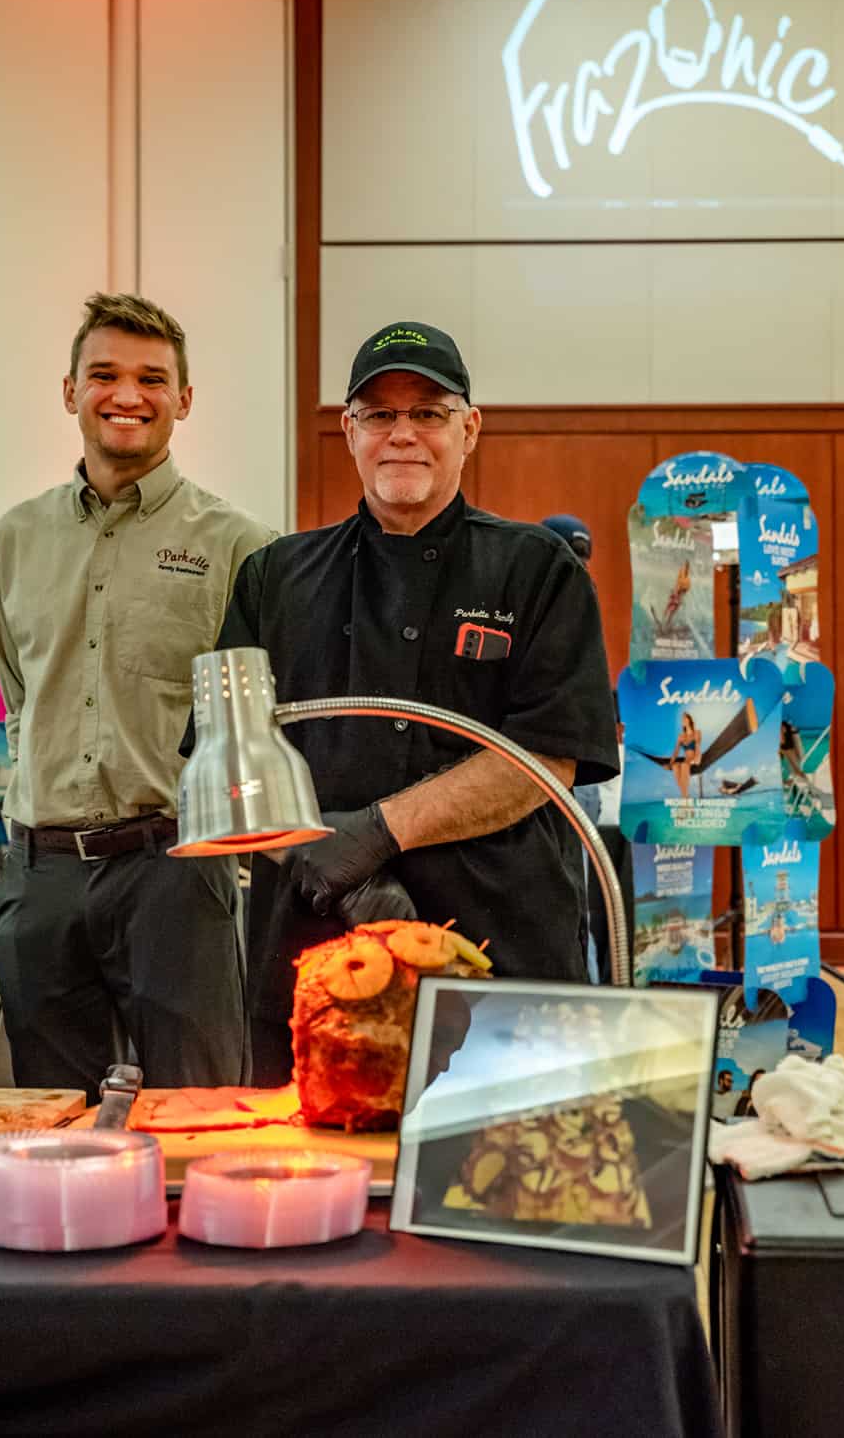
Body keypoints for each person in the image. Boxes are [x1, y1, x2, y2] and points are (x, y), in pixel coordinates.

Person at [213, 320, 619, 1082]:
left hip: (506, 961)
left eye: (427, 413)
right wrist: (329, 864)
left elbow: (547, 758)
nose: (403, 434)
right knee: (316, 1185)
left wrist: (374, 834)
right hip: (315, 968)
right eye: (379, 415)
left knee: (499, 1180)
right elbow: (225, 762)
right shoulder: (273, 577)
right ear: (349, 431)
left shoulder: (538, 572)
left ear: (469, 428)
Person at [0, 292, 274, 1100]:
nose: (126, 395)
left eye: (152, 378)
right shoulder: (13, 540)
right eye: (104, 374)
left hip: (174, 868)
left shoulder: (239, 545)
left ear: (182, 400)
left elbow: (263, 714)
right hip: (40, 873)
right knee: (53, 1120)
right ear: (69, 390)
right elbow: (18, 687)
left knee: (202, 1107)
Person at [669, 711, 701, 799]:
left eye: (684, 718)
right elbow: (676, 752)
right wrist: (670, 763)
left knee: (683, 765)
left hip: (694, 759)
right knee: (675, 766)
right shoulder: (681, 737)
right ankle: (686, 797)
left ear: (689, 720)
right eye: (682, 719)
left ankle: (685, 798)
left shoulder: (697, 733)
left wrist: (697, 759)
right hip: (686, 760)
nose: (683, 720)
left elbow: (698, 747)